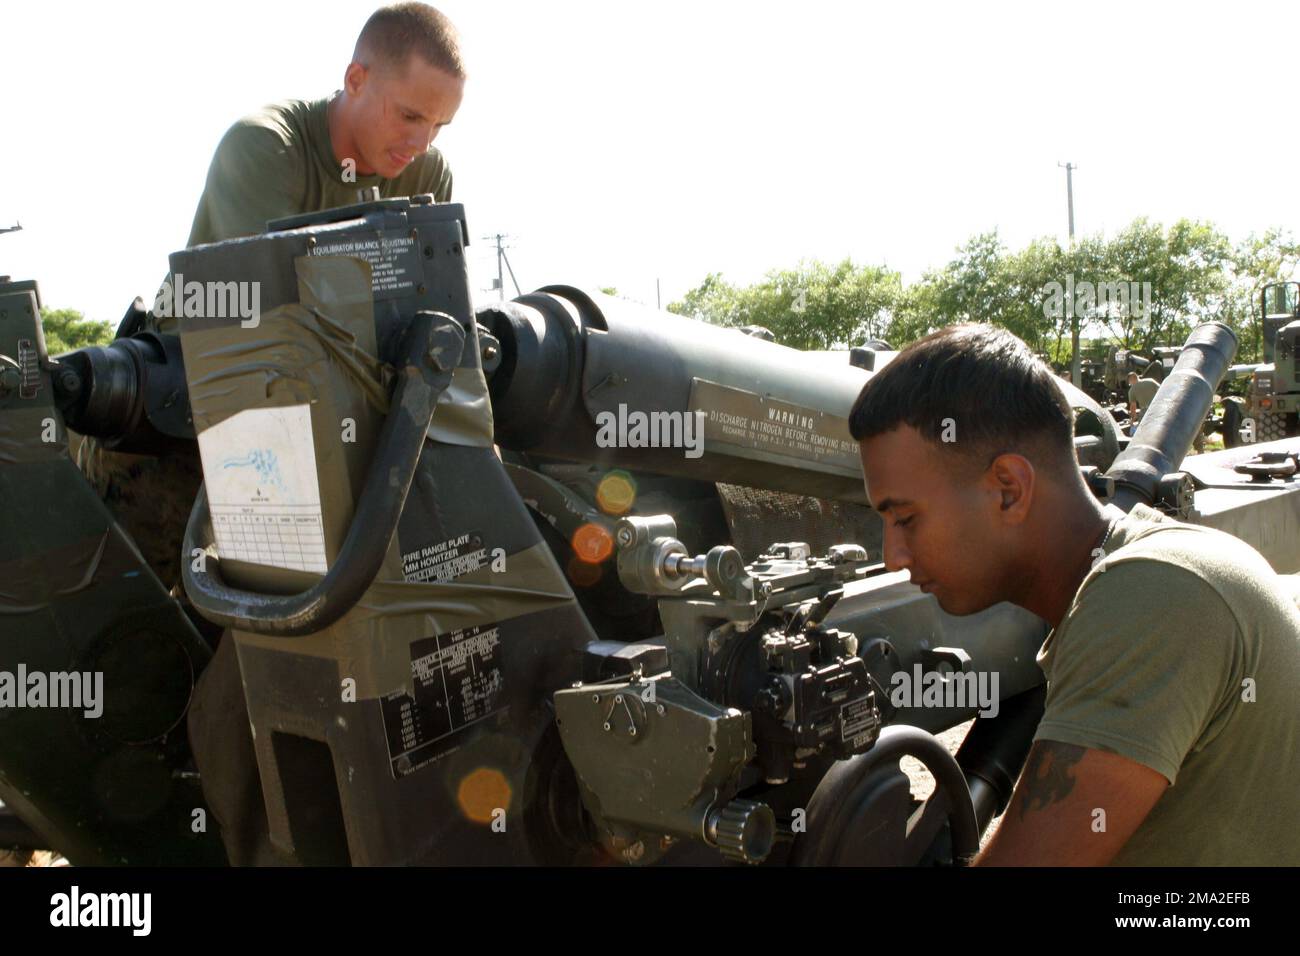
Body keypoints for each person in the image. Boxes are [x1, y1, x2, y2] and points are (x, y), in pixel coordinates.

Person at [848, 323, 1300, 865]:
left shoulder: (1148, 598)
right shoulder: (1153, 571)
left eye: (905, 518)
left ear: (1010, 490)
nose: (893, 555)